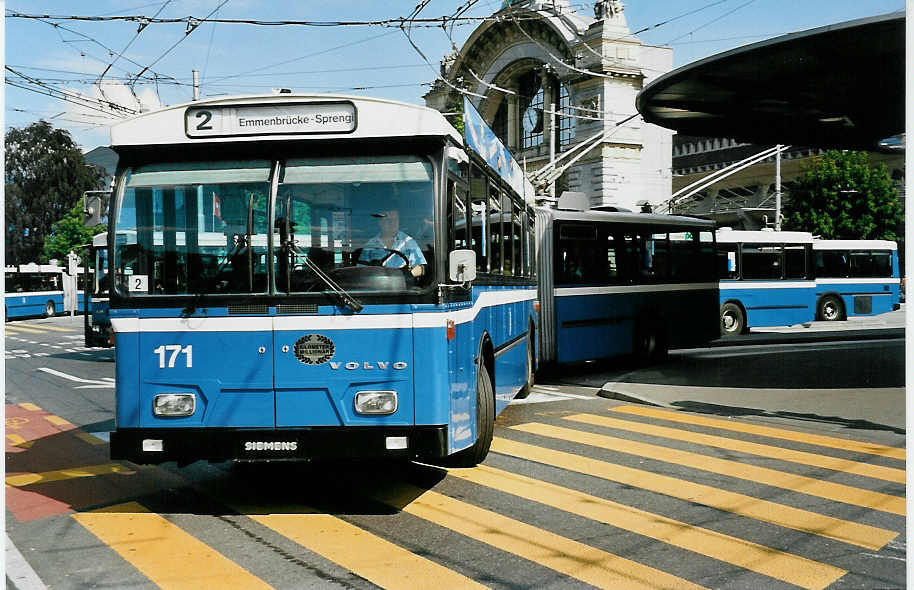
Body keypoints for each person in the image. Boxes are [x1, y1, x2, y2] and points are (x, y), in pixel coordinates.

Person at [359, 208, 426, 277]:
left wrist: (406, 276)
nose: (392, 223)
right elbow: (361, 271)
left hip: (404, 285)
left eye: (395, 220)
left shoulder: (408, 242)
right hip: (378, 285)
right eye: (388, 220)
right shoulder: (370, 245)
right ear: (380, 222)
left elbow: (421, 268)